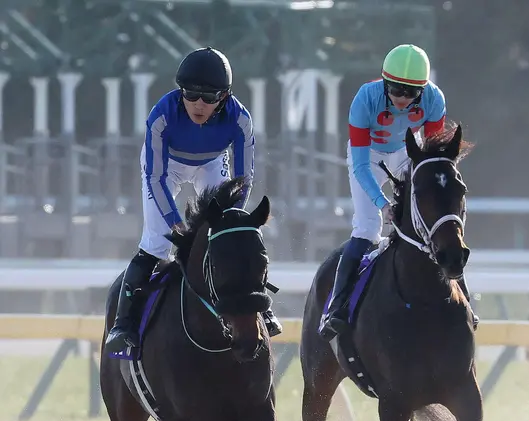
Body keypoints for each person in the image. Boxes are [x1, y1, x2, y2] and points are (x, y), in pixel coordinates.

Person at [105, 47, 282, 354]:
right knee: (156, 242)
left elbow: (243, 178)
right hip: (166, 167)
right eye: (191, 94)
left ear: (223, 97)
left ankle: (261, 310)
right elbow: (155, 179)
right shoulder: (161, 115)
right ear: (180, 91)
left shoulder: (241, 118)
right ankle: (123, 324)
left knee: (235, 235)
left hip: (211, 163)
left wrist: (231, 221)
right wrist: (177, 225)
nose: (199, 104)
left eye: (209, 97)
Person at [319, 43, 478, 341]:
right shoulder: (365, 98)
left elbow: (432, 156)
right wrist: (383, 204)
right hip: (368, 157)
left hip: (407, 153)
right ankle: (335, 308)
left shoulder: (434, 98)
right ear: (384, 82)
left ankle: (464, 297)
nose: (402, 98)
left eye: (411, 92)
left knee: (434, 224)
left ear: (422, 90)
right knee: (367, 229)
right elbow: (361, 167)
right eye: (396, 90)